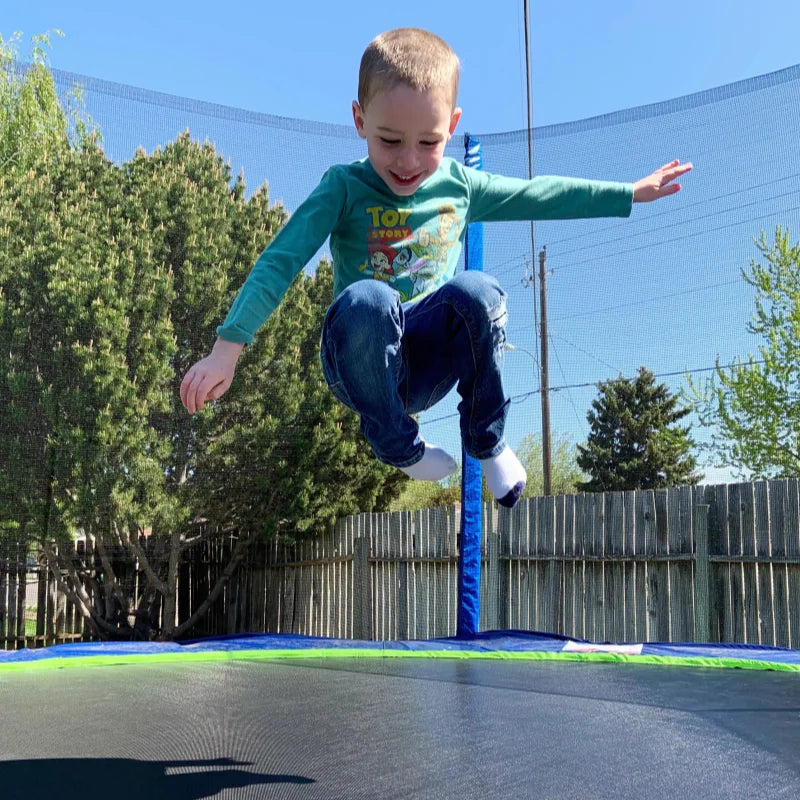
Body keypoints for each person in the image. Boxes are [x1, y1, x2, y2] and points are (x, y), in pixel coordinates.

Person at [180, 27, 692, 509]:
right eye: (389, 140)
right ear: (359, 120)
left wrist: (629, 193)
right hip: (360, 359)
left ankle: (487, 442)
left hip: (428, 364)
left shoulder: (459, 186)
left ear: (452, 125)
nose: (408, 161)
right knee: (370, 298)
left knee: (479, 291)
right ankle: (399, 446)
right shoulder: (344, 186)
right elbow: (281, 260)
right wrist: (226, 351)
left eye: (428, 142)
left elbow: (540, 193)